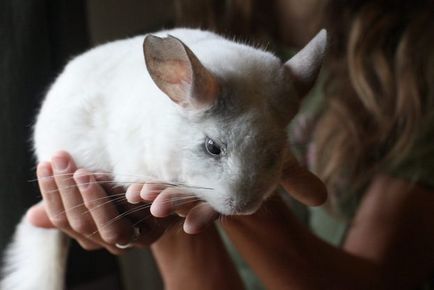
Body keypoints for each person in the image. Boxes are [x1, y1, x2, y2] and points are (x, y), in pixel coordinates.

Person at [27, 0, 434, 289]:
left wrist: (244, 201)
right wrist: (167, 213)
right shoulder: (196, 41)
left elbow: (383, 279)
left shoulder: (418, 66)